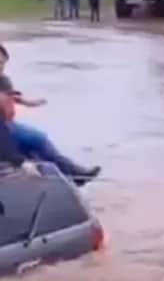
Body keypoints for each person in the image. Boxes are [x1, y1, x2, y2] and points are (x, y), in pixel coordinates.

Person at [0, 44, 101, 184]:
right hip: (4, 128)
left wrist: (28, 102)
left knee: (38, 148)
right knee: (38, 139)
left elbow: (10, 97)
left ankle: (70, 175)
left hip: (7, 124)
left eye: (2, 63)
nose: (1, 66)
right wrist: (19, 161)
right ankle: (73, 173)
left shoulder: (4, 81)